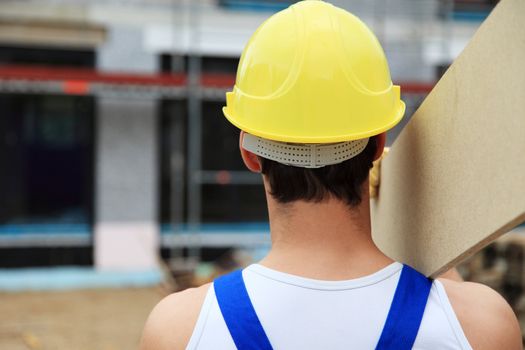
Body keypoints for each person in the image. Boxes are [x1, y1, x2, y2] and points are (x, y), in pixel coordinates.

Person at [140, 1, 522, 349]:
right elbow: (445, 308)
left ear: (249, 152)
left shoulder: (178, 329)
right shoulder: (482, 325)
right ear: (376, 147)